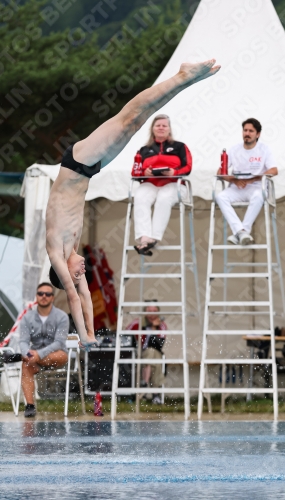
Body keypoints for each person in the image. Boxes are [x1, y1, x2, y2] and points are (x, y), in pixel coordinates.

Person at [46, 60, 221, 348]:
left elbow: (74, 296)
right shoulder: (71, 249)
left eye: (77, 274)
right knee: (136, 121)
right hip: (92, 167)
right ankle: (186, 80)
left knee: (128, 117)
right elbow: (85, 294)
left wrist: (84, 336)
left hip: (77, 163)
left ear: (63, 270)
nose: (83, 272)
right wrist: (90, 335)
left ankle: (183, 76)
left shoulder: (55, 249)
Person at [133, 114, 192, 256]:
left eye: (164, 125)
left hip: (174, 183)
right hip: (151, 183)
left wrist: (174, 172)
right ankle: (144, 237)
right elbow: (135, 171)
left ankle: (154, 237)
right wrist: (144, 172)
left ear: (169, 129)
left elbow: (188, 167)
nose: (161, 128)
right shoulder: (143, 150)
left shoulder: (180, 147)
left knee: (164, 197)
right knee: (140, 196)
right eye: (158, 125)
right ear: (152, 129)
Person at [216, 118, 278, 245]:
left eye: (251, 131)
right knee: (220, 196)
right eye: (245, 130)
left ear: (258, 134)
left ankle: (241, 232)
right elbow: (220, 172)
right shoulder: (234, 149)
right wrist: (234, 180)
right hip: (237, 187)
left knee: (259, 195)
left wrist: (254, 178)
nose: (247, 133)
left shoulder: (264, 149)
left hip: (256, 186)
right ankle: (241, 231)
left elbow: (274, 170)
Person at [20, 282, 69, 417]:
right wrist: (28, 353)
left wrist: (38, 354)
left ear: (52, 297)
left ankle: (22, 357)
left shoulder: (62, 316)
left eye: (48, 294)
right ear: (36, 296)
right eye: (41, 293)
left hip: (56, 356)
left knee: (58, 355)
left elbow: (59, 343)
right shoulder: (27, 317)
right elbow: (23, 342)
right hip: (34, 358)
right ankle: (30, 406)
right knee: (26, 365)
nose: (44, 296)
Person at [127, 304, 166, 404]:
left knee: (152, 353)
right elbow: (125, 335)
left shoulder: (162, 325)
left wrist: (154, 327)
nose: (152, 314)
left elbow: (157, 344)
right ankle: (155, 395)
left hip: (154, 352)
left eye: (154, 311)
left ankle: (144, 385)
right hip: (139, 351)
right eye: (149, 311)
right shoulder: (138, 322)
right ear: (145, 312)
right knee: (154, 358)